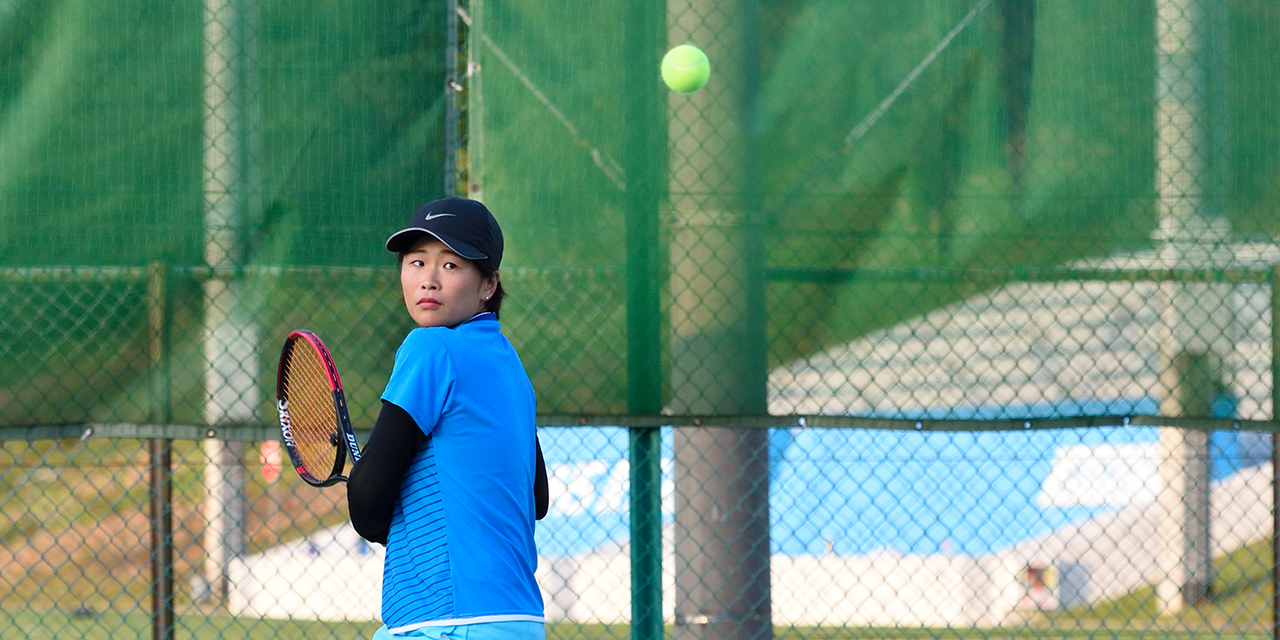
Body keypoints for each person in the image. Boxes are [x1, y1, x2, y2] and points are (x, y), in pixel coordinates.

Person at [347, 197, 549, 640]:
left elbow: (368, 506)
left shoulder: (430, 348)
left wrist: (371, 496)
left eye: (451, 266)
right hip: (520, 619)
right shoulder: (511, 366)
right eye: (416, 262)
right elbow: (538, 498)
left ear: (488, 284)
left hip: (445, 623)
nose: (429, 280)